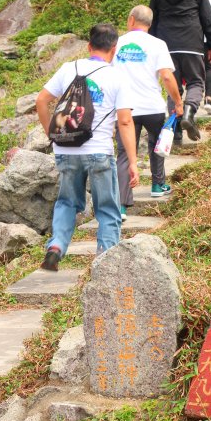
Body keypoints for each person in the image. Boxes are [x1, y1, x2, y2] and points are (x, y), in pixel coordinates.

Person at [36, 23, 139, 271]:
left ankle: (56, 246)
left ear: (89, 46)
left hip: (66, 149)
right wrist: (133, 162)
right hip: (99, 150)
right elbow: (124, 121)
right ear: (114, 50)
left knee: (67, 202)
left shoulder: (68, 68)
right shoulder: (117, 77)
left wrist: (51, 133)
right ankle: (106, 260)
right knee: (107, 207)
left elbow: (41, 100)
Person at [112, 5, 183, 219]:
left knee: (125, 153)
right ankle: (157, 184)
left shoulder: (116, 44)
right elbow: (167, 76)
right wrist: (178, 102)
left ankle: (122, 206)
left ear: (131, 19)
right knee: (156, 144)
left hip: (125, 109)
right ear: (150, 24)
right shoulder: (158, 44)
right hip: (152, 106)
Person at [149, 0, 211, 142]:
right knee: (196, 82)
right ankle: (189, 112)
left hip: (166, 45)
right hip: (192, 43)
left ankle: (176, 130)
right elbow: (207, 18)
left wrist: (152, 44)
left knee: (174, 88)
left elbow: (152, 19)